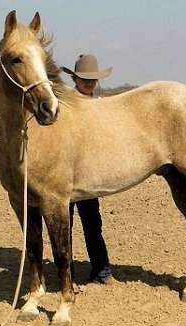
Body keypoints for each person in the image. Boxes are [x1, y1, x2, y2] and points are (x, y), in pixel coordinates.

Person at [61, 54, 115, 285]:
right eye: (84, 79)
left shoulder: (101, 104)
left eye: (92, 79)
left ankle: (101, 269)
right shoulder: (65, 102)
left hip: (89, 173)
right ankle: (68, 274)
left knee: (93, 222)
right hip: (65, 172)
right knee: (66, 224)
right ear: (75, 79)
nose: (89, 83)